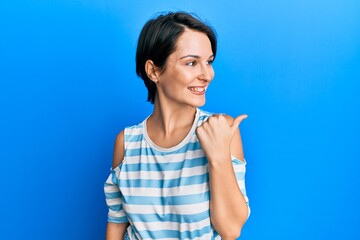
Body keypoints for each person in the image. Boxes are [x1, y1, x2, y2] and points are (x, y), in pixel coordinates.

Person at [104, 11, 250, 240]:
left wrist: (218, 156)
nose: (207, 74)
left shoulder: (221, 130)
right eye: (192, 63)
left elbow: (230, 230)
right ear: (153, 71)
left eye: (209, 62)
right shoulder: (126, 143)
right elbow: (116, 222)